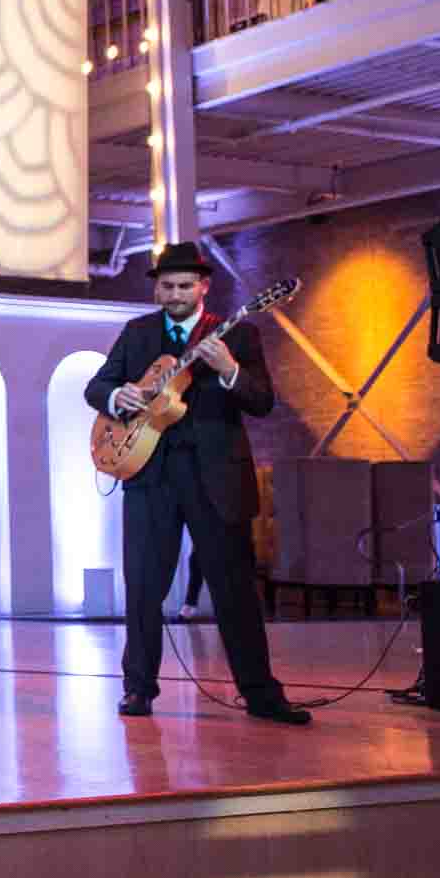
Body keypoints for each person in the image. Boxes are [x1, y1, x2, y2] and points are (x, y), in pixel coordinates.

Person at [84, 242, 309, 724]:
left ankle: (261, 693)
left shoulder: (241, 335)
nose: (175, 294)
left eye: (184, 285)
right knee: (144, 587)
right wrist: (117, 394)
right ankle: (138, 689)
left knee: (235, 591)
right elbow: (95, 388)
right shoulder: (137, 333)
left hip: (217, 481)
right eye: (166, 286)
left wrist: (229, 369)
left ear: (204, 287)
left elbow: (263, 402)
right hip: (150, 477)